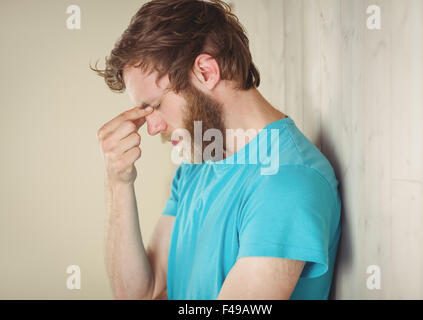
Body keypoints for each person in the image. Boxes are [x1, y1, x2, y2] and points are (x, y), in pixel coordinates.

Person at [92, 0, 341, 300]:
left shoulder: (287, 181)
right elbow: (142, 294)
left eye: (155, 106)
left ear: (206, 72)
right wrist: (117, 182)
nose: (152, 126)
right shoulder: (196, 166)